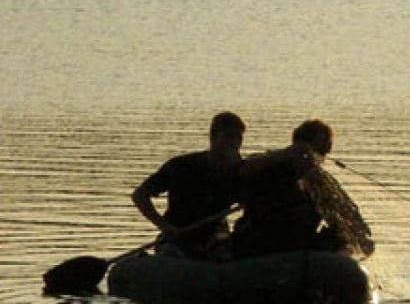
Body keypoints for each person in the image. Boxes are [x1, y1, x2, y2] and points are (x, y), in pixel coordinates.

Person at [231, 118, 370, 259]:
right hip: (260, 245)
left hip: (298, 249)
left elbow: (342, 212)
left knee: (335, 239)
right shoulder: (270, 165)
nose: (318, 160)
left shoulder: (318, 185)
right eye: (318, 151)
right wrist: (288, 153)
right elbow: (245, 168)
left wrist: (359, 235)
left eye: (324, 152)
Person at [132, 111, 245, 259]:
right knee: (172, 255)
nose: (234, 143)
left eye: (238, 138)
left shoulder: (240, 172)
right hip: (178, 238)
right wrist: (165, 226)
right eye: (228, 137)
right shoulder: (181, 166)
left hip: (215, 238)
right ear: (213, 137)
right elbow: (140, 195)